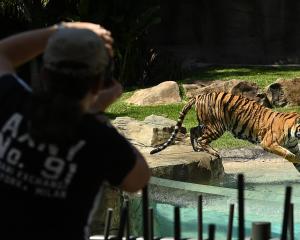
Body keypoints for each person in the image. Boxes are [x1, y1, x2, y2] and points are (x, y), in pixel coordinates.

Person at [0, 22, 150, 240]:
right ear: (98, 84)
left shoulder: (12, 102)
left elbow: (2, 52)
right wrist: (96, 114)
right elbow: (139, 179)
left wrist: (61, 30)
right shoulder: (99, 138)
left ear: (44, 74)